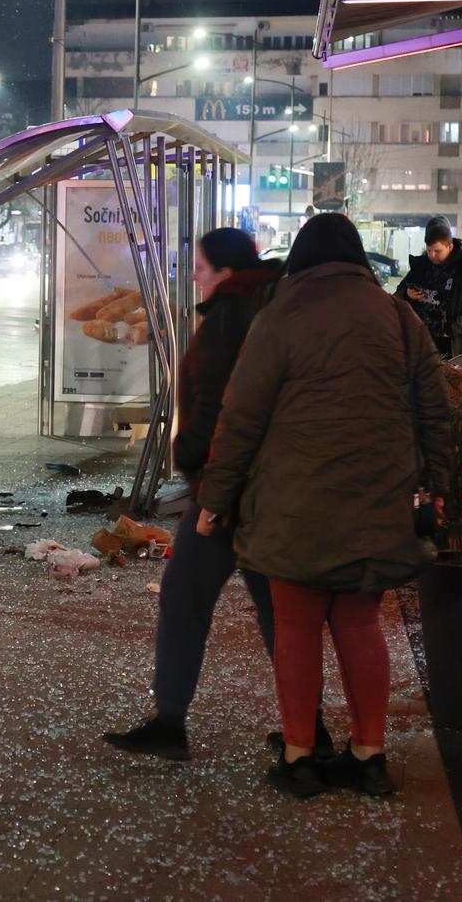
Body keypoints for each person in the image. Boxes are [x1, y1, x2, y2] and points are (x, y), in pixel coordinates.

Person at [196, 213, 453, 799]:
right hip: (379, 495)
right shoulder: (397, 315)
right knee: (360, 622)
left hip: (294, 501)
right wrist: (437, 485)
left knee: (296, 625)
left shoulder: (279, 315)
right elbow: (435, 409)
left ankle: (300, 756)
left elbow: (242, 416)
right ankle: (368, 755)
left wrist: (216, 498)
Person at [103, 229, 291, 762]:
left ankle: (170, 721)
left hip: (222, 490)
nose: (194, 276)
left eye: (202, 267)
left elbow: (215, 407)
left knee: (185, 598)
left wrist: (200, 475)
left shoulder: (229, 319)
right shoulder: (266, 309)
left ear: (226, 273)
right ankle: (307, 727)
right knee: (277, 610)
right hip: (264, 487)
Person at [395, 218, 462, 359]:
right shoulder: (421, 266)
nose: (432, 255)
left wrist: (454, 327)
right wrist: (407, 294)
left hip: (454, 344)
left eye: (438, 251)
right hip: (422, 342)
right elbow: (398, 295)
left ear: (450, 247)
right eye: (429, 250)